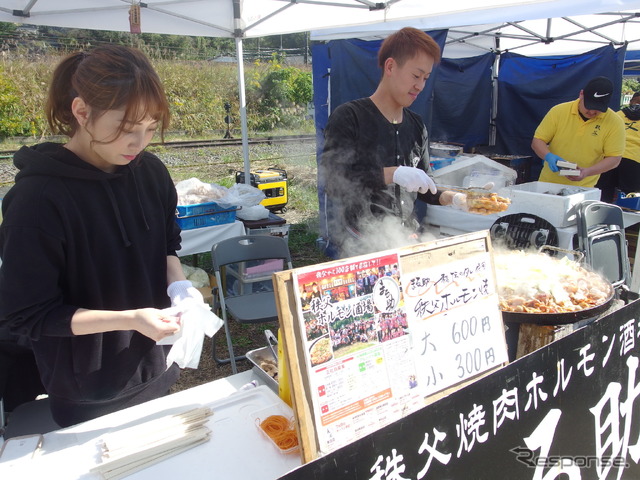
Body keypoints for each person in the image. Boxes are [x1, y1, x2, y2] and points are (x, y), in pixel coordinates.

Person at [0, 44, 205, 428]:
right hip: (86, 387)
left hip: (157, 363)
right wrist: (129, 319)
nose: (138, 143)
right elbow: (29, 315)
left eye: (149, 128)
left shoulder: (151, 173)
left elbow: (165, 244)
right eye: (127, 129)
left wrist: (179, 287)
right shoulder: (37, 201)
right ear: (81, 112)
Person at [319, 27, 461, 258]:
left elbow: (425, 186)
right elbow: (335, 182)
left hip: (406, 239)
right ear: (391, 66)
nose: (420, 86)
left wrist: (455, 198)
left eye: (425, 78)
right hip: (361, 242)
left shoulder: (416, 126)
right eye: (416, 76)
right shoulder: (350, 116)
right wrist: (392, 173)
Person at [532, 76, 625, 189]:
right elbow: (537, 141)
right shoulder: (559, 111)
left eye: (597, 108)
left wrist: (587, 172)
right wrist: (548, 156)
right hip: (547, 183)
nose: (591, 112)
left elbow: (614, 158)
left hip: (585, 187)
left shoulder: (615, 122)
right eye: (589, 106)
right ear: (581, 94)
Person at [595, 91, 640, 203]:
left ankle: (601, 219)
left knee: (603, 199)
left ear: (630, 101)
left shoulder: (617, 114)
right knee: (630, 201)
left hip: (609, 158)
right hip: (634, 160)